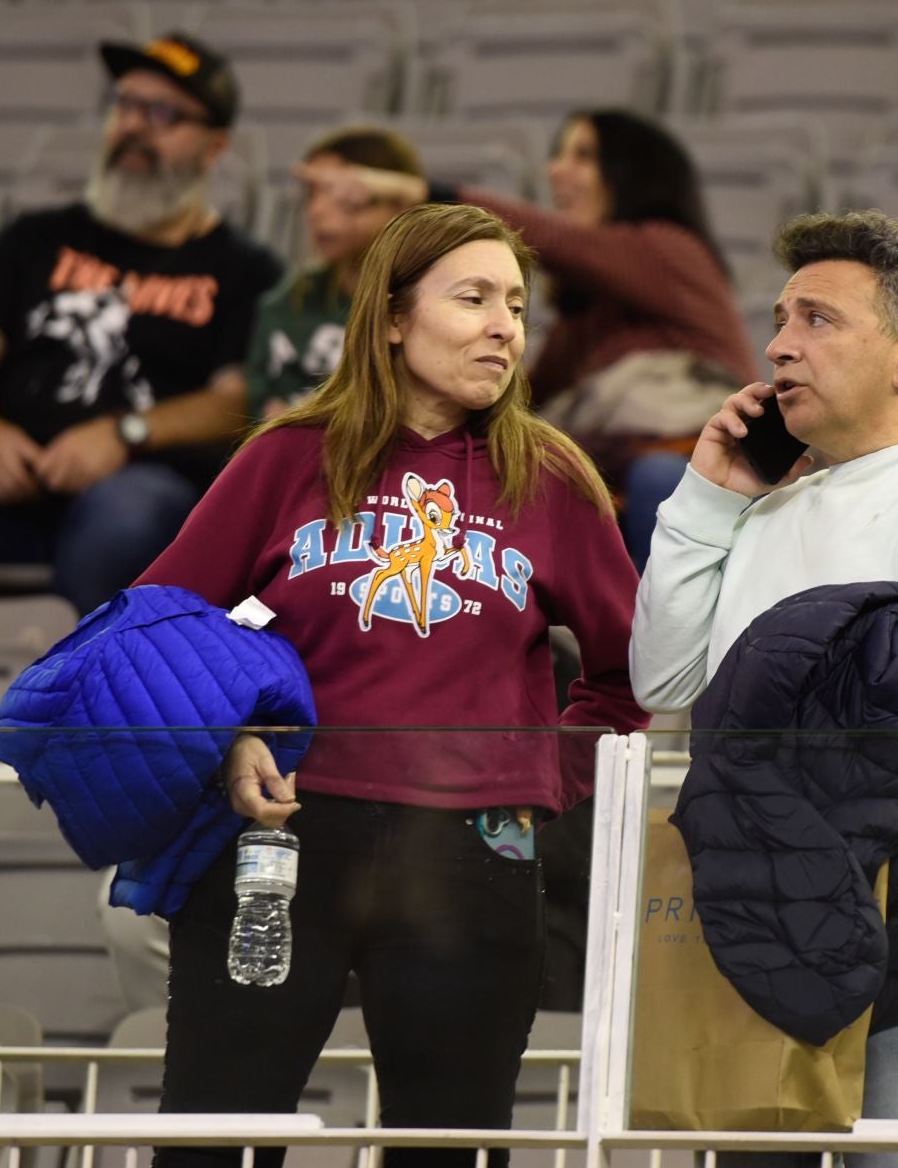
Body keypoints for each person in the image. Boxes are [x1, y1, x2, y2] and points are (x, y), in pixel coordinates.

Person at [132, 203, 648, 1168]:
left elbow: (629, 677)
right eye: (474, 299)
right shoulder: (285, 457)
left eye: (518, 306)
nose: (505, 326)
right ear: (393, 319)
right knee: (214, 1141)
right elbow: (155, 629)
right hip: (283, 840)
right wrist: (226, 734)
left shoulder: (552, 479)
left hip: (472, 852)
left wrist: (538, 780)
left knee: (448, 1150)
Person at [630, 210, 898, 1165]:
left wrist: (774, 676)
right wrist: (707, 495)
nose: (780, 344)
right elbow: (665, 678)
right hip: (758, 887)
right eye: (781, 318)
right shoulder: (766, 497)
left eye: (819, 320)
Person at [0, 33, 283, 614]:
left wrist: (125, 434)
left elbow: (239, 400)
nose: (135, 126)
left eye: (163, 114)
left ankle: (71, 685)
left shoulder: (247, 270)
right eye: (125, 105)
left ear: (213, 147)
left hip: (141, 488)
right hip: (9, 481)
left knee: (129, 514)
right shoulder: (34, 238)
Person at [298, 109, 758, 567]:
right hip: (609, 473)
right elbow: (529, 400)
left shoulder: (670, 252)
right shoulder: (583, 311)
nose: (556, 170)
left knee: (656, 479)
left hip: (687, 471)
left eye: (583, 155)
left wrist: (421, 195)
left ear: (631, 172)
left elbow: (558, 242)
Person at [245, 126, 424, 419]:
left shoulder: (429, 308)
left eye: (342, 196)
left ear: (399, 204)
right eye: (313, 194)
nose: (316, 211)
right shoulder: (288, 303)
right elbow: (263, 409)